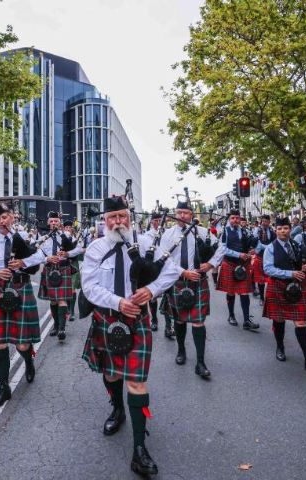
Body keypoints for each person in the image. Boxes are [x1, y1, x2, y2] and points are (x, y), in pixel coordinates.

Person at [81, 195, 182, 475]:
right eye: (112, 217)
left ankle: (139, 448)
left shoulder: (147, 243)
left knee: (137, 382)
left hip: (137, 319)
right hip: (107, 317)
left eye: (122, 216)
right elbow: (88, 287)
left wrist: (151, 291)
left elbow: (171, 270)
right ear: (104, 221)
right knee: (111, 374)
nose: (117, 221)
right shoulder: (96, 248)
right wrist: (117, 302)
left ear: (129, 218)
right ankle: (117, 408)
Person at [0, 203, 46, 409]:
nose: (2, 221)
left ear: (13, 218)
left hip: (21, 288)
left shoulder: (25, 237)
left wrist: (22, 263)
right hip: (0, 291)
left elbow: (40, 256)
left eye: (5, 217)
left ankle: (28, 360)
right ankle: (4, 387)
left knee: (22, 344)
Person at [161, 199, 217, 378]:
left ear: (191, 215)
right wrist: (182, 272)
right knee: (179, 320)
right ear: (174, 214)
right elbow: (164, 259)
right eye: (179, 213)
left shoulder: (201, 232)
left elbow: (220, 248)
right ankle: (181, 350)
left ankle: (200, 362)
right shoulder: (168, 234)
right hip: (178, 280)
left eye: (185, 213)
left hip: (198, 281)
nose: (182, 216)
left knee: (199, 320)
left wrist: (210, 264)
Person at [262, 218, 306, 370]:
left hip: (296, 288)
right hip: (277, 285)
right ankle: (280, 347)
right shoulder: (270, 248)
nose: (283, 231)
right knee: (279, 319)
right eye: (280, 228)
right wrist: (291, 273)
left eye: (285, 228)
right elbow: (268, 269)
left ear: (290, 229)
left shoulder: (298, 245)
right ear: (275, 230)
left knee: (301, 321)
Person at [37, 211, 82, 340]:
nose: (53, 223)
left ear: (59, 222)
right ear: (48, 223)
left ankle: (62, 328)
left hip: (63, 269)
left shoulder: (67, 235)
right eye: (51, 221)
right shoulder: (43, 238)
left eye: (55, 221)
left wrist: (68, 254)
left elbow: (78, 249)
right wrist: (47, 259)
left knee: (62, 300)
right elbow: (36, 255)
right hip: (50, 270)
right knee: (53, 301)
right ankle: (56, 325)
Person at [217, 209, 258, 330]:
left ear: (240, 219)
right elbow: (222, 249)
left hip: (243, 265)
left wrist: (253, 250)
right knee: (231, 291)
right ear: (229, 219)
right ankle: (231, 316)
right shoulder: (225, 232)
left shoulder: (245, 231)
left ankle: (246, 320)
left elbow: (253, 244)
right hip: (230, 263)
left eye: (237, 218)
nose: (235, 220)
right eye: (233, 218)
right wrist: (238, 254)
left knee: (244, 292)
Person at [142, 210, 174, 337]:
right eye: (155, 221)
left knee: (168, 296)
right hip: (154, 267)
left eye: (160, 220)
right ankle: (154, 319)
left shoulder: (167, 234)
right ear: (151, 221)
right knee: (153, 296)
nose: (158, 223)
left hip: (166, 267)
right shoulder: (147, 236)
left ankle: (168, 326)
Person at [252, 215, 276, 305]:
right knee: (261, 280)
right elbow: (255, 242)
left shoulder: (272, 231)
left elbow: (274, 243)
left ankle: (270, 297)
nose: (264, 223)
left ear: (269, 222)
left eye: (266, 221)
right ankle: (262, 298)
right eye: (263, 221)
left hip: (270, 258)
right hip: (260, 256)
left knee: (271, 279)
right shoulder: (257, 231)